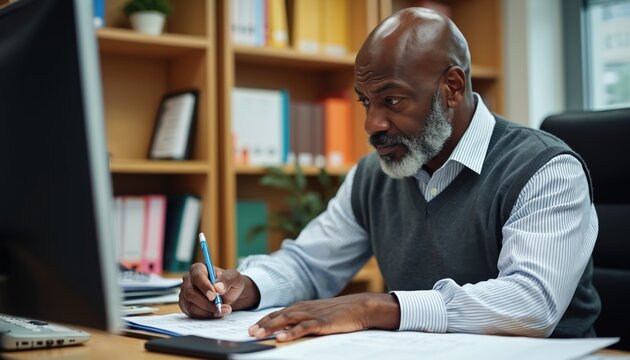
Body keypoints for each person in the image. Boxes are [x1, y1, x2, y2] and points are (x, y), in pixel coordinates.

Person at [179, 7, 600, 342]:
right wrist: (243, 287)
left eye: (392, 100)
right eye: (366, 102)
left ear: (452, 87)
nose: (372, 124)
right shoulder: (375, 175)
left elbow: (533, 303)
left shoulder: (544, 169)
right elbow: (309, 264)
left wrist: (374, 308)